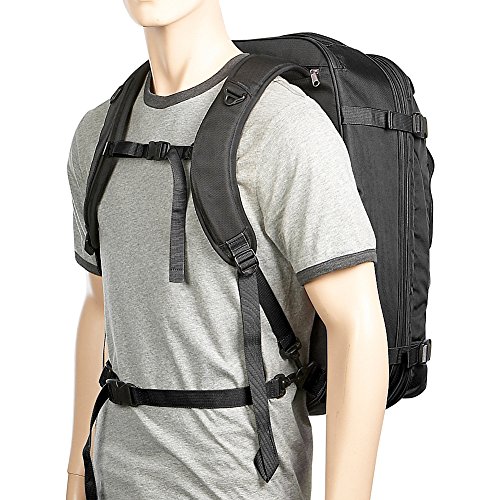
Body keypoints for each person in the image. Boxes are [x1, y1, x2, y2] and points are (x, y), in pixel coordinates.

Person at [66, 1, 389, 499]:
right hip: (112, 479)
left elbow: (357, 325)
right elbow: (99, 305)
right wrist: (76, 472)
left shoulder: (283, 126)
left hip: (237, 483)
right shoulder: (97, 135)